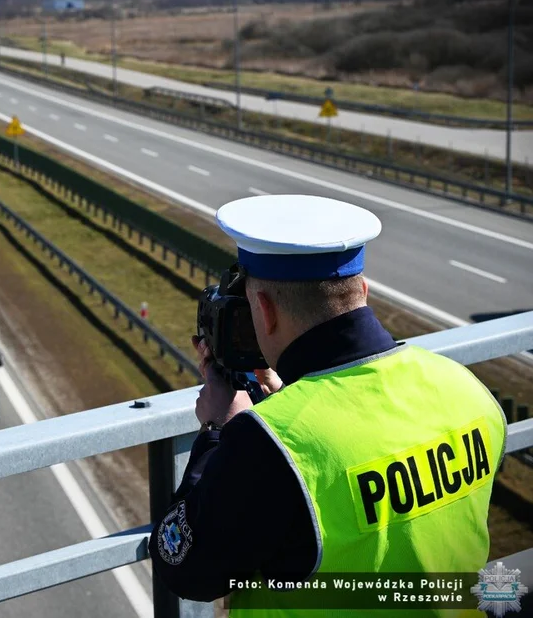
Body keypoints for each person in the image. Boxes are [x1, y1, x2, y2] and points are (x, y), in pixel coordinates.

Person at [149, 195, 507, 616]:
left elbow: (185, 567)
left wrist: (216, 435)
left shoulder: (270, 443)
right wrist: (290, 403)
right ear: (364, 291)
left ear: (263, 311)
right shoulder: (467, 388)